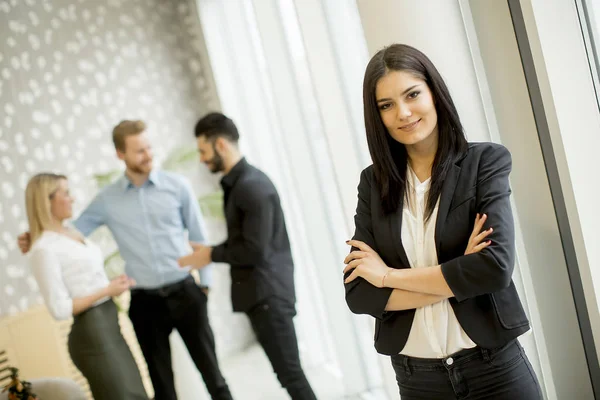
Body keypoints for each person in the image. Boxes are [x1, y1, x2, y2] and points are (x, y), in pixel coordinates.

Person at [342, 44, 542, 399]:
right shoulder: (373, 184)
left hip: (493, 371)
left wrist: (388, 277)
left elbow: (493, 269)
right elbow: (359, 294)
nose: (403, 113)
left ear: (434, 92)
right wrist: (458, 273)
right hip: (418, 380)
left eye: (412, 94)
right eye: (386, 106)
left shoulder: (485, 162)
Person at [18, 121, 232, 400]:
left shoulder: (177, 186)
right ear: (121, 154)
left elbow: (199, 237)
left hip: (185, 293)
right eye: (139, 151)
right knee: (163, 387)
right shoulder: (107, 200)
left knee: (214, 377)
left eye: (149, 147)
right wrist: (33, 236)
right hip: (145, 303)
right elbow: (70, 232)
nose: (148, 155)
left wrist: (205, 287)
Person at [178, 113, 317, 400]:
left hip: (269, 295)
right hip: (264, 296)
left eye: (203, 151)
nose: (202, 160)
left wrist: (210, 255)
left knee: (291, 374)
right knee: (288, 374)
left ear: (220, 145)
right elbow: (247, 241)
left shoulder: (250, 186)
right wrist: (209, 252)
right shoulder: (240, 184)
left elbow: (255, 250)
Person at [24, 173, 148, 400]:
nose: (72, 198)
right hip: (93, 333)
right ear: (47, 201)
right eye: (66, 193)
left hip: (109, 325)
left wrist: (111, 286)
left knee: (136, 394)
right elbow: (59, 309)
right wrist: (106, 290)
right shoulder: (43, 249)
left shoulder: (72, 233)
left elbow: (87, 280)